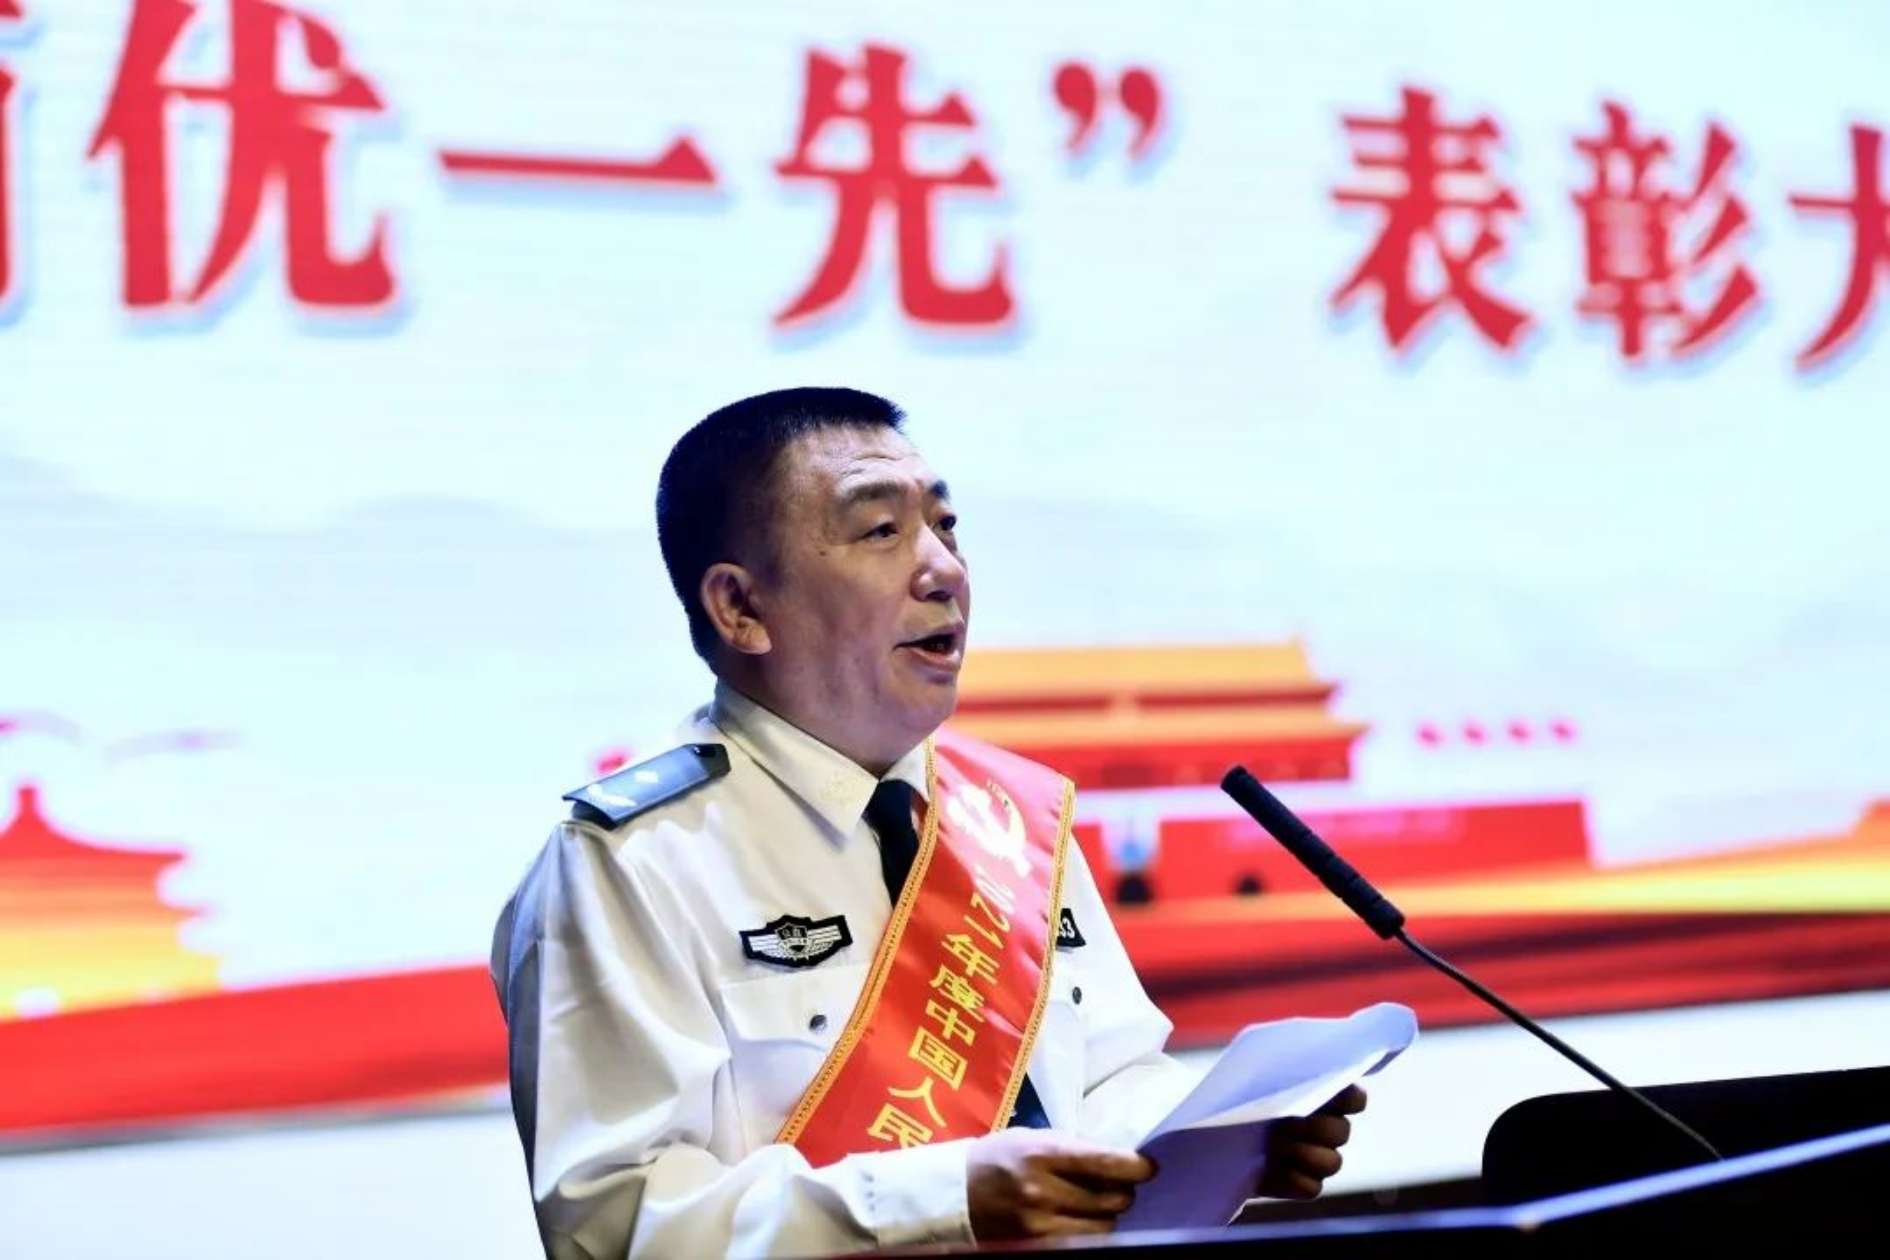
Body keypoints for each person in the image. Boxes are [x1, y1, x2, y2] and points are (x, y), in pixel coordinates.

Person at [491, 387, 1365, 1259]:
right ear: (740, 608)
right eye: (881, 531)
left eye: (945, 526)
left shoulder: (1010, 813)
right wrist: (948, 1199)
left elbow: (1105, 1081)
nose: (944, 569)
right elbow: (619, 1224)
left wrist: (1227, 1140)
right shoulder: (633, 863)